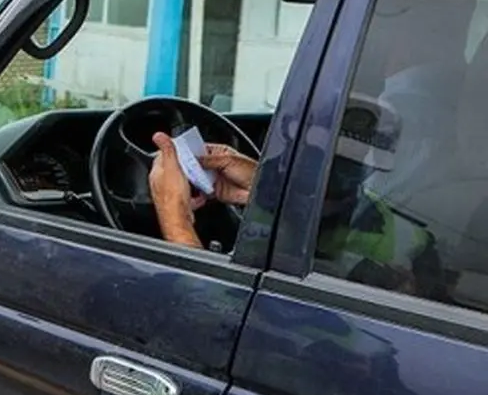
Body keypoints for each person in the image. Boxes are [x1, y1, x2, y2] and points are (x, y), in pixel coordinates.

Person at [147, 97, 444, 297]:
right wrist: (267, 189)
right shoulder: (413, 239)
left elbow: (210, 319)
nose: (340, 172)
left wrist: (175, 216)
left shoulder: (402, 258)